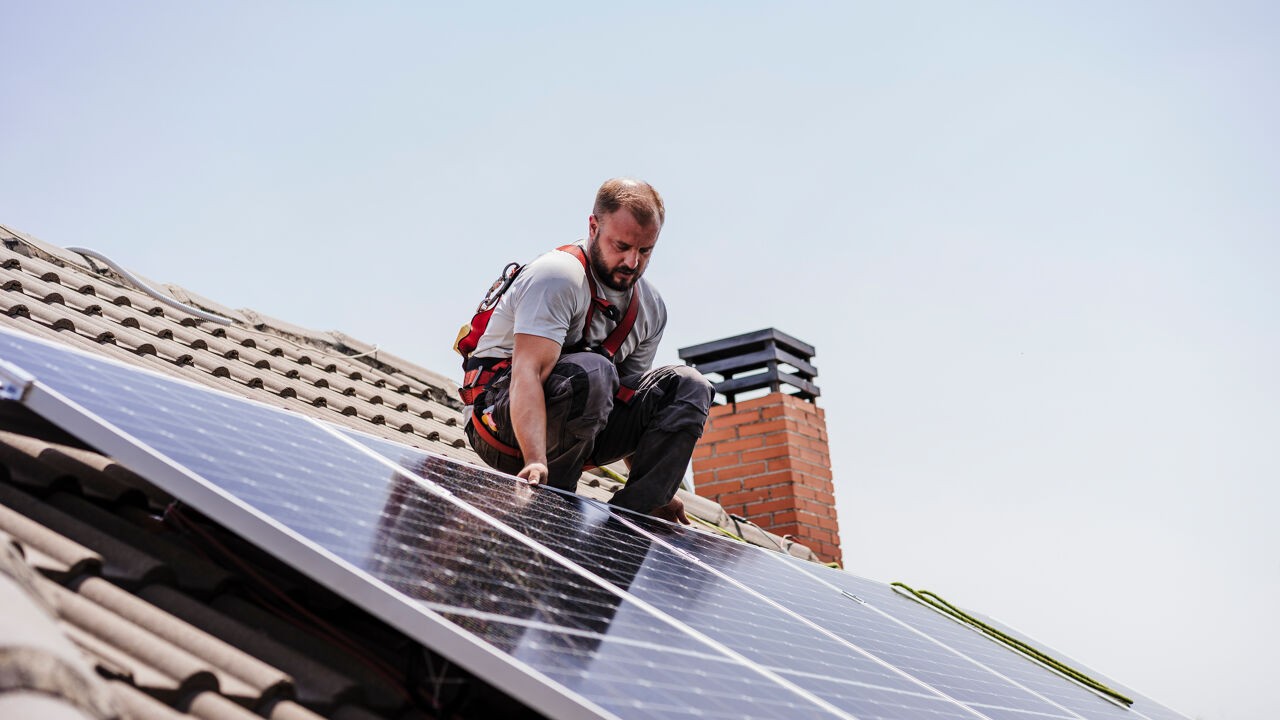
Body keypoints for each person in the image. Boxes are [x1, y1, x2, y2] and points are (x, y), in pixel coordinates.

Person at [462, 178, 713, 523]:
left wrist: (656, 483)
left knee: (689, 385)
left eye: (645, 251)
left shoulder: (651, 308)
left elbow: (627, 400)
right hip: (504, 425)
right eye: (621, 246)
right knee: (595, 369)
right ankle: (553, 506)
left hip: (581, 434)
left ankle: (640, 513)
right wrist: (535, 459)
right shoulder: (558, 276)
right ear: (594, 226)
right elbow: (527, 373)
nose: (631, 262)